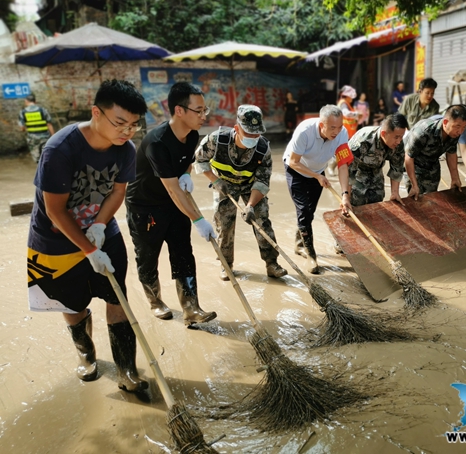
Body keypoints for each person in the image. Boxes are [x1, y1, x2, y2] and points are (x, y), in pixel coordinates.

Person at [26, 79, 149, 392]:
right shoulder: (59, 150)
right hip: (56, 239)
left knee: (116, 293)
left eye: (134, 125)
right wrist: (89, 250)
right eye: (120, 123)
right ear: (97, 112)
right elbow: (55, 211)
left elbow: (118, 191)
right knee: (72, 302)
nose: (127, 131)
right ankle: (87, 355)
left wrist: (100, 225)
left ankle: (126, 370)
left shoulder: (126, 150)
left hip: (101, 229)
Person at [125, 82, 217, 327]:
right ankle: (155, 302)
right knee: (148, 257)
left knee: (183, 252)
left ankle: (191, 308)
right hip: (145, 207)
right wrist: (198, 219)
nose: (203, 116)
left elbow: (185, 164)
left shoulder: (193, 135)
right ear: (179, 111)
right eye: (198, 110)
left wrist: (187, 173)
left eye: (204, 109)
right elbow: (172, 188)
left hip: (172, 203)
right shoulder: (157, 142)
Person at [194, 105, 287, 281]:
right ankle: (226, 265)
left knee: (261, 222)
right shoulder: (217, 140)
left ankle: (272, 264)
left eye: (256, 133)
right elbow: (200, 160)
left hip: (250, 187)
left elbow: (262, 181)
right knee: (224, 224)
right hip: (223, 184)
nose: (253, 138)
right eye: (249, 133)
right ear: (236, 129)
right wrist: (216, 181)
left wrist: (250, 205)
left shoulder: (262, 149)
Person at [283, 105, 352, 274]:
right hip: (297, 170)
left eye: (339, 126)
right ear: (322, 125)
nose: (336, 131)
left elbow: (343, 166)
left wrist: (345, 196)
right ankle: (310, 254)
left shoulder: (342, 134)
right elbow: (293, 162)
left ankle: (299, 243)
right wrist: (317, 176)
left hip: (318, 170)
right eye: (332, 128)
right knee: (304, 210)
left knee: (310, 212)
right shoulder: (305, 131)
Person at [404, 104, 466, 197]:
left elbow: (451, 153)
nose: (460, 131)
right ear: (446, 122)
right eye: (458, 126)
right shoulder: (423, 131)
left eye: (464, 127)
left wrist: (455, 178)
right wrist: (414, 185)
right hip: (414, 165)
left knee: (432, 199)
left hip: (432, 164)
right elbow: (408, 158)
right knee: (416, 200)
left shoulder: (454, 133)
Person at [348, 113, 409, 207]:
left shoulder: (398, 143)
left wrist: (395, 192)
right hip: (358, 174)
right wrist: (346, 197)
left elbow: (397, 168)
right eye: (396, 137)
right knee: (356, 204)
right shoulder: (363, 140)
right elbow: (349, 170)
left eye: (401, 137)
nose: (399, 141)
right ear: (384, 134)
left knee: (377, 204)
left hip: (376, 173)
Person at [19, 93, 56, 163]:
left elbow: (22, 128)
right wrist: (54, 136)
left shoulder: (23, 112)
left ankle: (41, 170)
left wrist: (24, 129)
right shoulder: (43, 110)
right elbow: (49, 124)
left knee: (37, 158)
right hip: (45, 137)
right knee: (47, 156)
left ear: (26, 101)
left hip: (32, 139)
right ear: (35, 101)